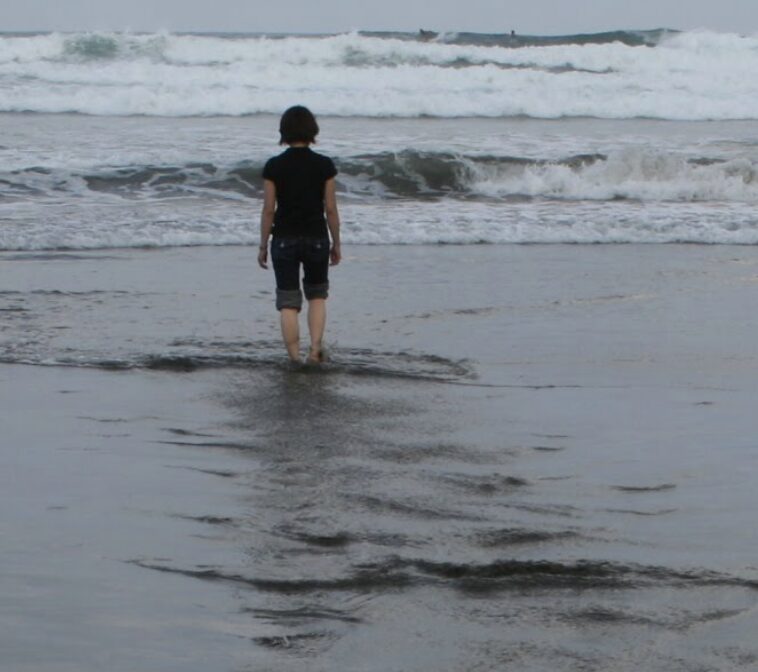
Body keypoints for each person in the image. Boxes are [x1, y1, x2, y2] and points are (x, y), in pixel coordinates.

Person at [258, 105, 341, 364]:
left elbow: (268, 210)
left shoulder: (274, 166)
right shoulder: (324, 165)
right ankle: (315, 350)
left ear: (283, 131)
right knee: (317, 295)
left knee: (288, 301)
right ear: (312, 130)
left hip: (284, 238)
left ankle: (294, 359)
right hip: (316, 237)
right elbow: (330, 208)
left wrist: (263, 245)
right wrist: (336, 243)